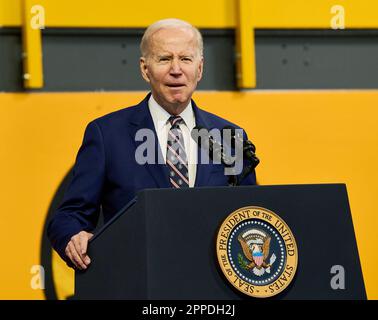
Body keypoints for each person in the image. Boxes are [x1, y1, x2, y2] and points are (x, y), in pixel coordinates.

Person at [47, 18, 257, 270]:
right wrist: (74, 237)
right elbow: (68, 217)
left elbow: (251, 215)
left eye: (186, 59)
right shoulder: (107, 134)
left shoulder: (228, 135)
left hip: (214, 285)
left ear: (199, 69)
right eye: (164, 59)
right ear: (145, 69)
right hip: (137, 279)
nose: (176, 69)